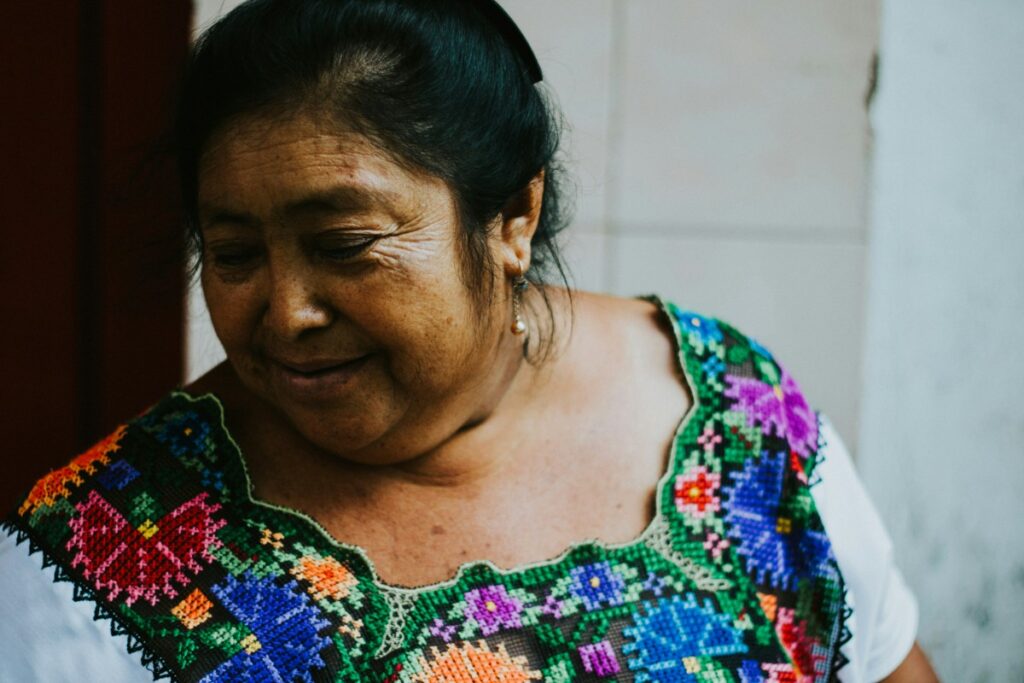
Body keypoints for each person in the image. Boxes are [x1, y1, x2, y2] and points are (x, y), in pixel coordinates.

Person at [0, 1, 938, 681]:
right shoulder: (109, 545)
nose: (285, 314)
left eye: (345, 244)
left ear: (513, 217)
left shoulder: (735, 414)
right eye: (236, 253)